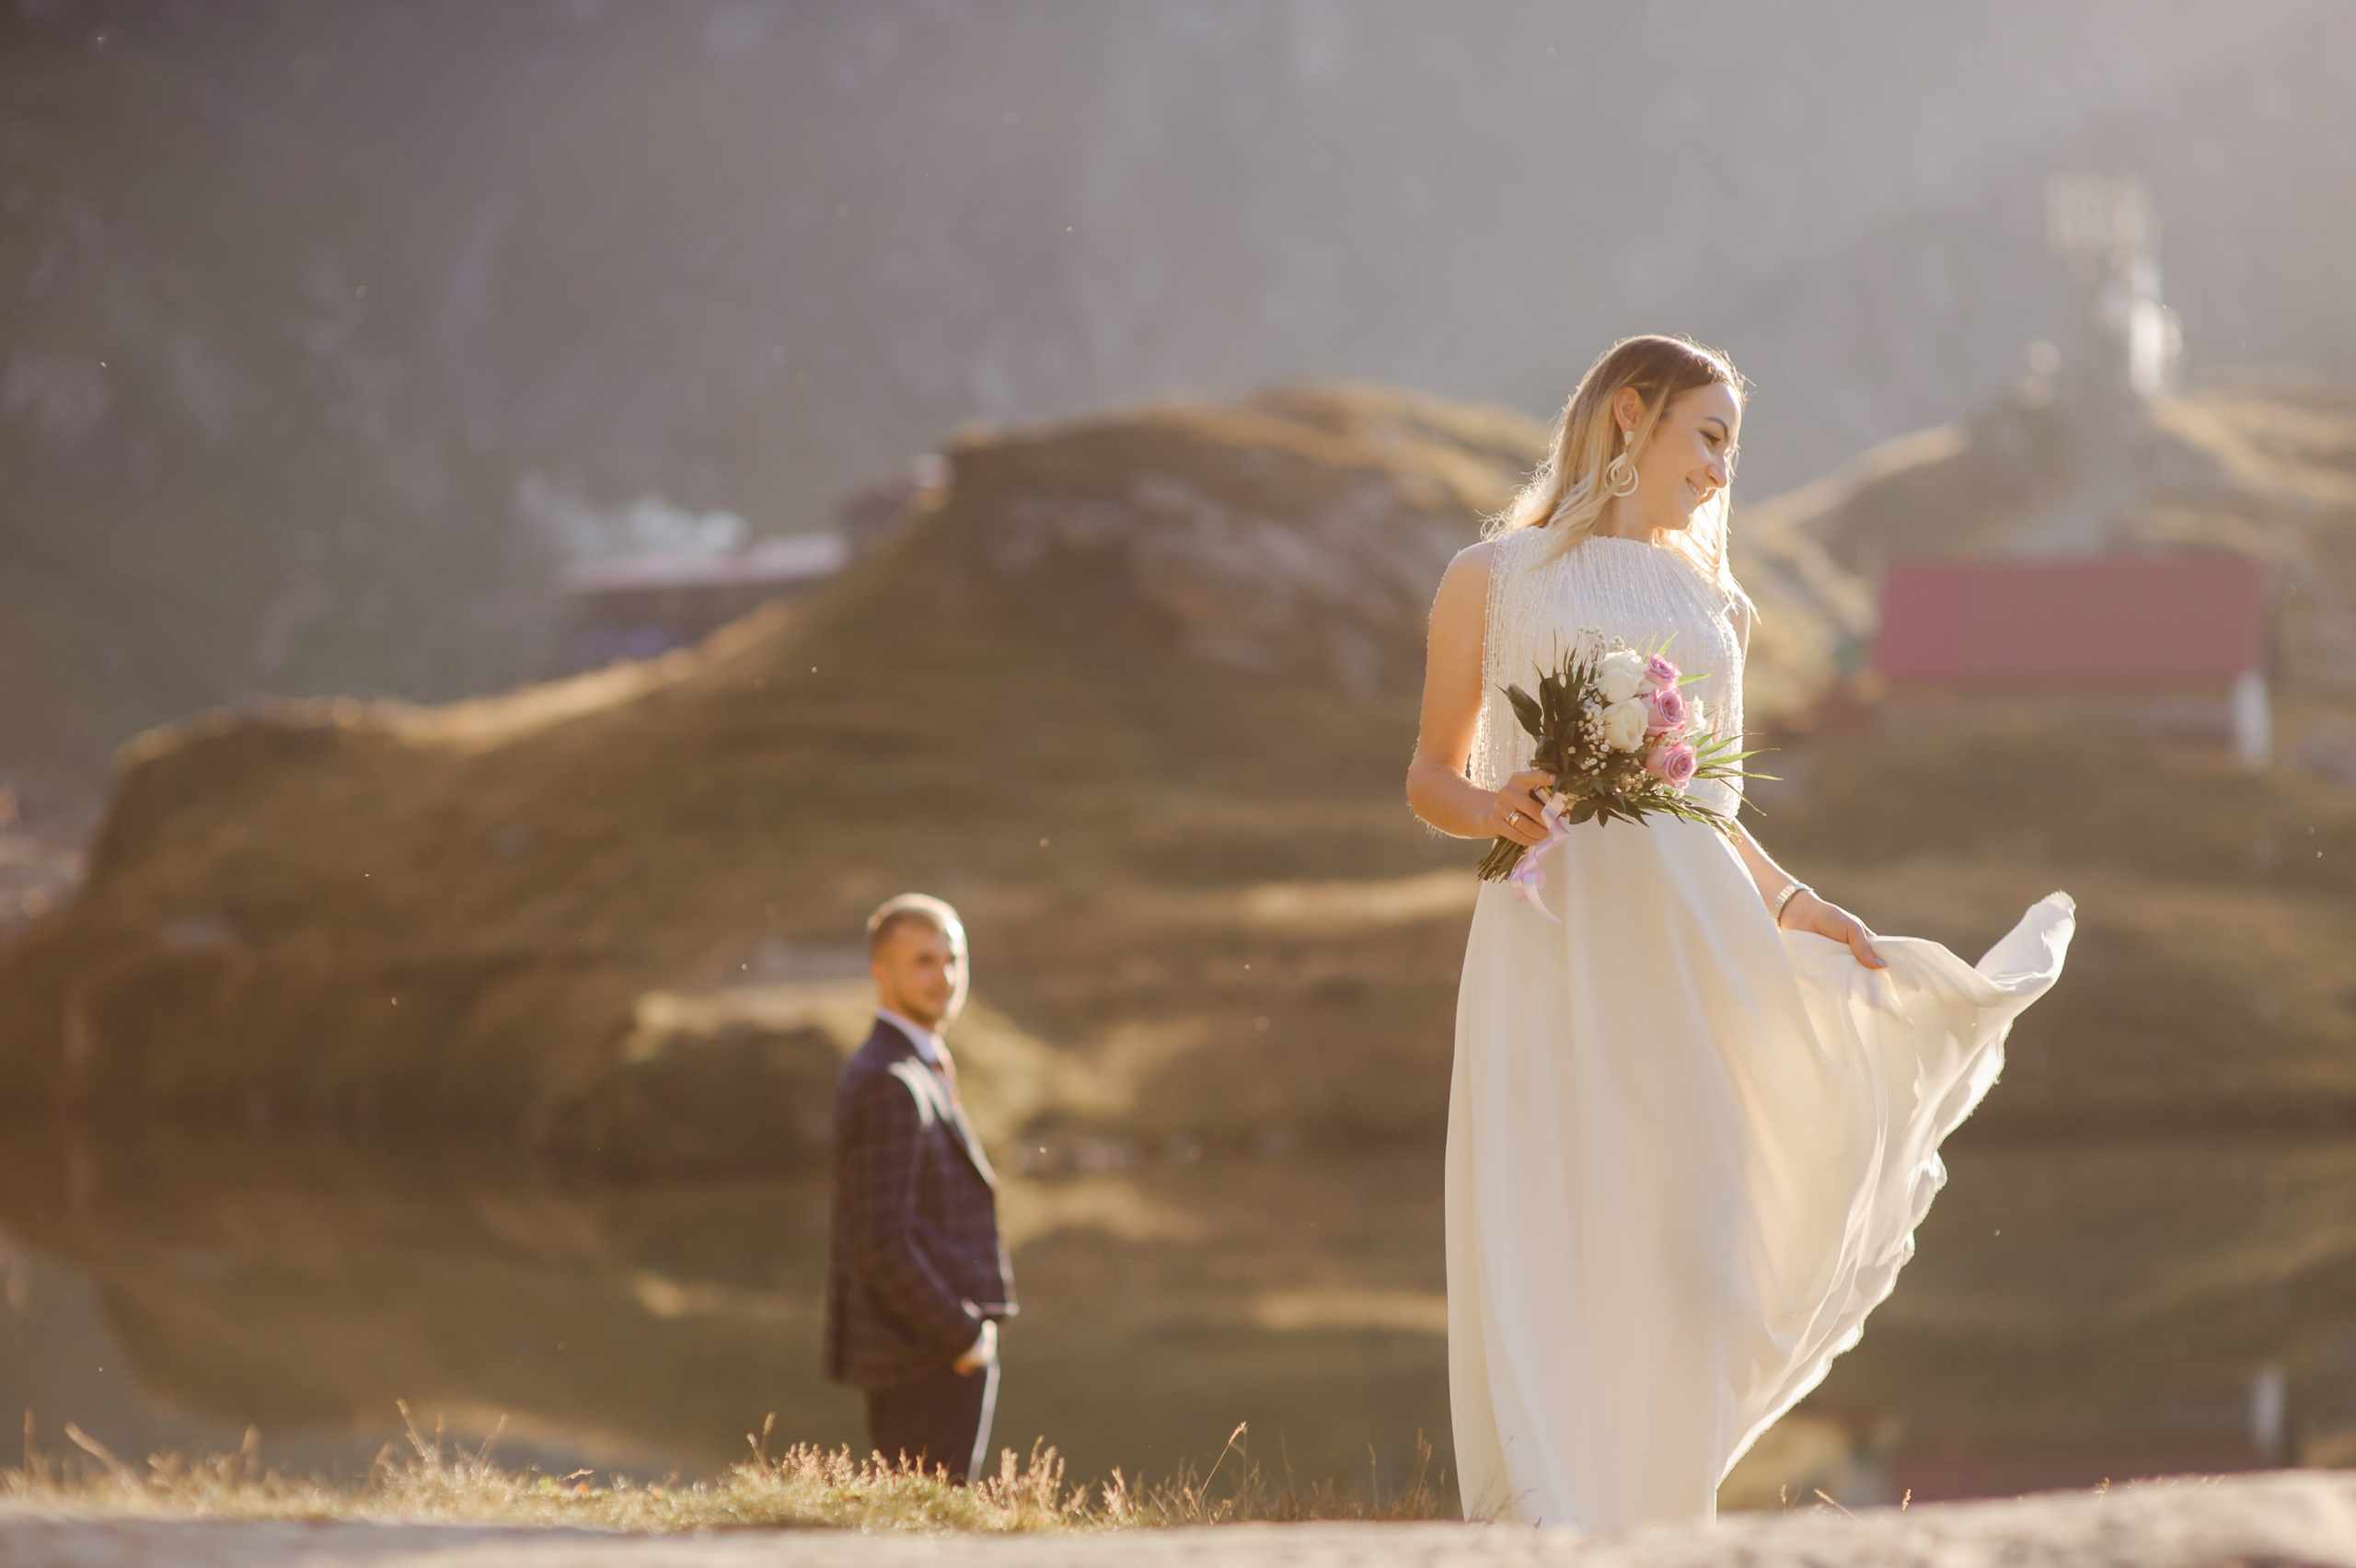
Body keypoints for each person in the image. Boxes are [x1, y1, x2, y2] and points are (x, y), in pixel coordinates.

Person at [1406, 335, 2073, 1528]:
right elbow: (1430, 773)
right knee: (1562, 1219)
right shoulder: (1493, 575)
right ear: (1629, 415)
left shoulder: (1716, 601)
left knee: (1707, 1244)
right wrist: (1490, 808)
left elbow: (1712, 804)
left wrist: (1796, 902)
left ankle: (1660, 1512)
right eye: (1708, 435)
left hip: (1697, 933)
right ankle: (1558, 1515)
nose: (1722, 468)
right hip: (1551, 931)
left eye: (1733, 446)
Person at [822, 893, 1015, 1483]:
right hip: (921, 1357)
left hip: (930, 1354)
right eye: (923, 962)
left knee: (930, 1527)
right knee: (927, 1535)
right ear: (883, 974)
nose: (945, 977)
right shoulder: (889, 1080)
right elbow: (879, 1242)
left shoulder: (917, 1063)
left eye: (952, 959)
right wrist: (960, 1338)